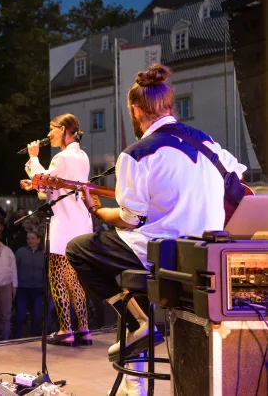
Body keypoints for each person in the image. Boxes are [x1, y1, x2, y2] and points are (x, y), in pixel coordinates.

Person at [69, 65, 246, 364]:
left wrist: (96, 209)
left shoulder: (137, 153)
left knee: (79, 249)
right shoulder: (207, 142)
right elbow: (238, 182)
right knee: (123, 263)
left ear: (136, 111)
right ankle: (138, 334)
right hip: (208, 254)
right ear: (169, 106)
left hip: (165, 254)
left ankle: (139, 324)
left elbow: (130, 219)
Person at [21, 112, 93, 347]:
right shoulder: (82, 156)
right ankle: (83, 328)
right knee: (74, 279)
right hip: (80, 224)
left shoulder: (61, 158)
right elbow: (51, 188)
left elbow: (43, 179)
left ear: (63, 129)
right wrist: (35, 186)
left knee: (57, 278)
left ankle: (65, 329)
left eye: (51, 129)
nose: (48, 134)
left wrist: (33, 158)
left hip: (63, 225)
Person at [14, 231, 49, 338]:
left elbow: (46, 271)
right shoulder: (20, 252)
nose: (30, 240)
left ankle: (35, 337)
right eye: (28, 238)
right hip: (22, 288)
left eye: (32, 238)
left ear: (38, 240)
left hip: (37, 289)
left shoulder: (43, 254)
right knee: (20, 315)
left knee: (37, 315)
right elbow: (13, 268)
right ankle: (17, 337)